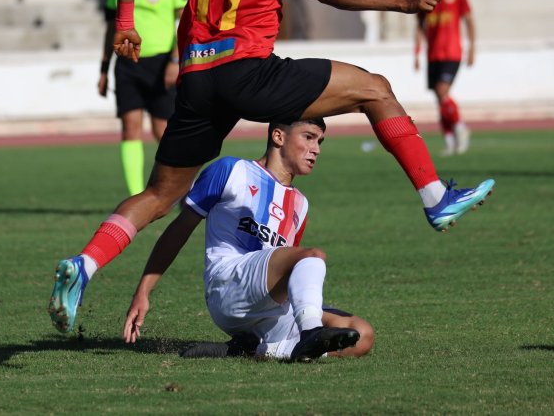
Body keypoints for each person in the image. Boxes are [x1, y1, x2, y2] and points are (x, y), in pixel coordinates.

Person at [49, 0, 495, 334]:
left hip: (197, 80)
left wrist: (127, 21)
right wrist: (402, 3)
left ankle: (84, 265)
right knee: (375, 89)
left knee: (157, 195)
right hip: (249, 74)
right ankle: (434, 197)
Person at [122, 118, 375, 362]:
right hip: (228, 288)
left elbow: (288, 266)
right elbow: (179, 230)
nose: (316, 150)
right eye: (308, 137)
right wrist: (143, 291)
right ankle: (310, 334)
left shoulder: (301, 203)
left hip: (269, 304)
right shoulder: (231, 170)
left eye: (320, 141)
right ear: (278, 136)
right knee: (311, 256)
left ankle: (255, 350)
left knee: (361, 334)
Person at [99, 0, 188, 195]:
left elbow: (182, 23)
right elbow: (112, 24)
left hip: (161, 62)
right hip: (127, 62)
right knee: (130, 127)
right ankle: (136, 195)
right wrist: (103, 67)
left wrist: (175, 62)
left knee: (163, 130)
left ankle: (177, 188)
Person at [414, 0, 475, 155]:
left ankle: (460, 128)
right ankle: (449, 141)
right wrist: (417, 52)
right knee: (439, 99)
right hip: (433, 55)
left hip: (451, 52)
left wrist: (472, 47)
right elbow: (419, 25)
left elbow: (468, 20)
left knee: (442, 91)